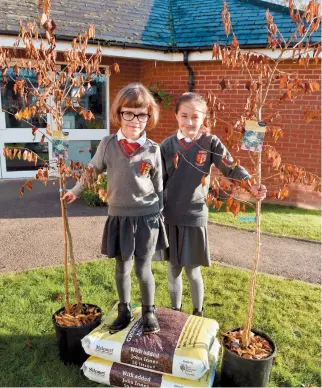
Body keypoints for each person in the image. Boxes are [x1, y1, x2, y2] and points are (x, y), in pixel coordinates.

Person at [63, 83, 168, 334]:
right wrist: (76, 190)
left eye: (141, 114)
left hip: (147, 218)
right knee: (122, 267)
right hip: (119, 218)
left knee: (143, 267)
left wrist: (161, 212)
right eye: (128, 113)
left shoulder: (153, 150)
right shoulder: (108, 144)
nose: (135, 120)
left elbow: (159, 184)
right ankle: (124, 309)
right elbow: (91, 171)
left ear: (149, 116)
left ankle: (149, 311)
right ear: (119, 114)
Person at [160, 92, 267, 316]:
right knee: (173, 269)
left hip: (195, 216)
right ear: (176, 116)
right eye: (184, 116)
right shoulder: (167, 145)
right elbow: (158, 180)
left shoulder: (210, 143)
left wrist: (252, 184)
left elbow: (231, 167)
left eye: (195, 117)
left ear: (204, 118)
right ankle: (175, 312)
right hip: (170, 217)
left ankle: (197, 313)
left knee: (192, 270)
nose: (190, 122)